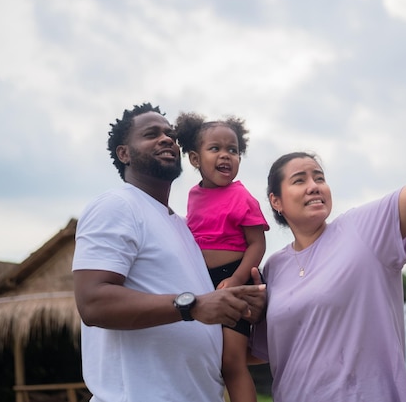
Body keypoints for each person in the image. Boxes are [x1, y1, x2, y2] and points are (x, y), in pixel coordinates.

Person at [250, 58, 406, 401]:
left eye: (320, 177)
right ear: (276, 201)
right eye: (300, 180)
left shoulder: (363, 230)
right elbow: (264, 352)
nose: (314, 185)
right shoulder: (273, 268)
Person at [72, 103, 266, 402]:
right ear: (124, 153)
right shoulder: (118, 205)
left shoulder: (184, 229)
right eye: (152, 134)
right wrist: (191, 305)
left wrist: (242, 312)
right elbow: (92, 302)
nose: (166, 140)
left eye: (170, 134)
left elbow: (205, 338)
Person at [175, 112, 270, 402]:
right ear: (194, 159)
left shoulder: (242, 196)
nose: (226, 155)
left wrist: (236, 279)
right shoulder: (193, 195)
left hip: (236, 279)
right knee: (206, 358)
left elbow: (257, 244)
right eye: (215, 148)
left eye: (233, 150)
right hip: (203, 284)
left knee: (232, 363)